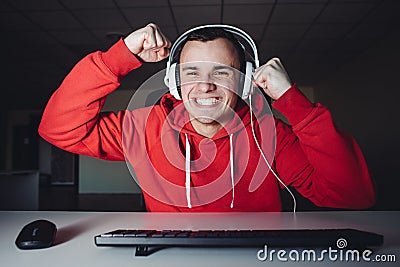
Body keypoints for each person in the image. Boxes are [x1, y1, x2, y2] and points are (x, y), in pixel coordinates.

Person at [38, 23, 375, 212]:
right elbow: (58, 128)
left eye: (222, 73)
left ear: (244, 83)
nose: (205, 86)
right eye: (192, 72)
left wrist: (292, 101)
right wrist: (118, 58)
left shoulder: (269, 134)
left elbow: (352, 196)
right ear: (174, 81)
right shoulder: (144, 128)